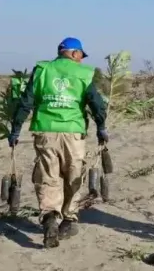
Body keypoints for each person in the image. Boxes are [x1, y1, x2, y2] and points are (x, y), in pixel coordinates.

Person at [8, 37, 108, 248]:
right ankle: (69, 219)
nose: (81, 60)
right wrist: (101, 127)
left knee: (48, 176)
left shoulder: (42, 70)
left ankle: (50, 217)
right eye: (81, 55)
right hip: (73, 133)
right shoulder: (84, 73)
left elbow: (26, 101)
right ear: (73, 53)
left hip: (46, 132)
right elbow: (96, 104)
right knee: (74, 174)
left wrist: (16, 129)